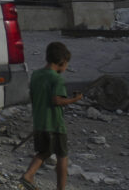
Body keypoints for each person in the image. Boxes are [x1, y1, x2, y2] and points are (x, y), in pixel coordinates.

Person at [21, 41, 85, 190]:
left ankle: (28, 175)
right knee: (62, 156)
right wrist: (74, 99)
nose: (66, 67)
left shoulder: (36, 74)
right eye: (67, 64)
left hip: (39, 122)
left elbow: (33, 95)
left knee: (44, 151)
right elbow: (56, 100)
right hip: (55, 124)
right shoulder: (57, 78)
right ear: (62, 62)